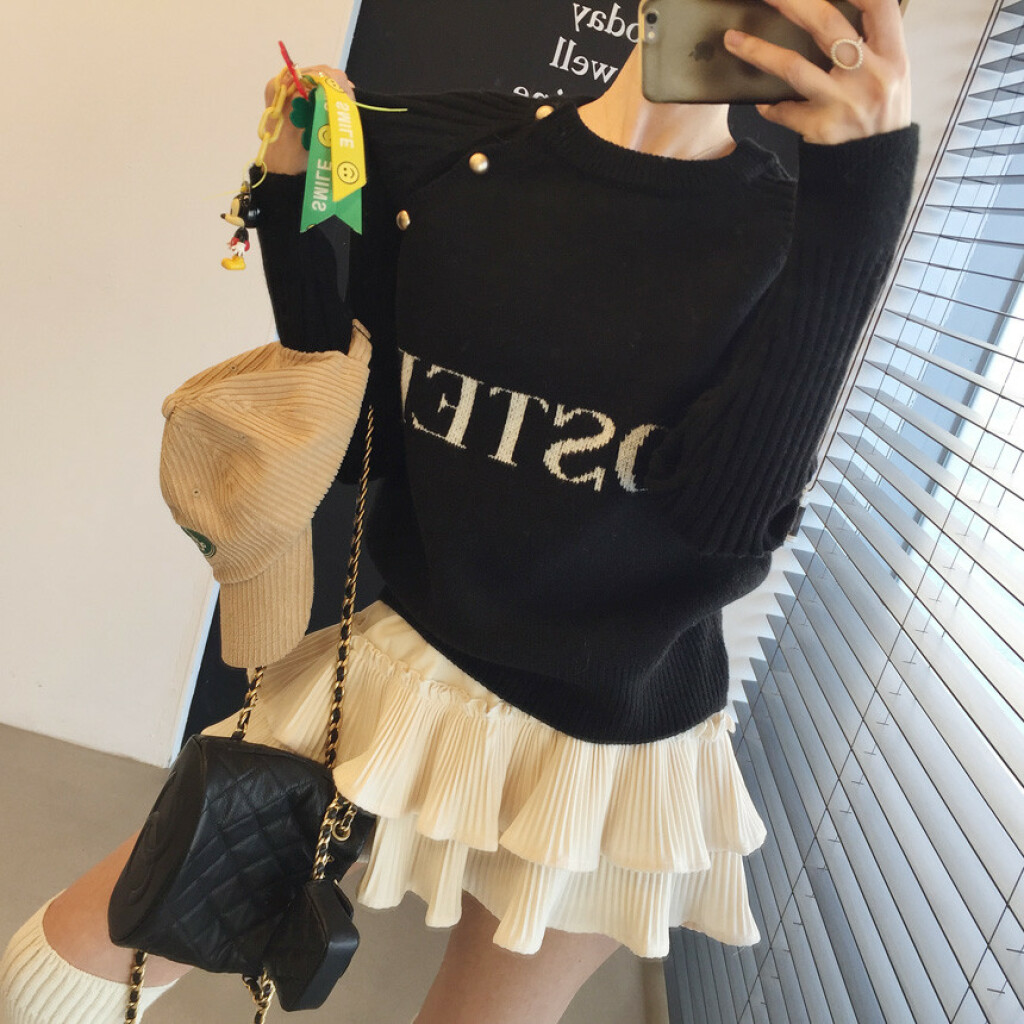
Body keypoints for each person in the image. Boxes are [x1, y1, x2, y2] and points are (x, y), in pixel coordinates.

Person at [0, 1, 918, 1022]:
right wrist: (292, 192)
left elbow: (723, 523)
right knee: (59, 976)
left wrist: (865, 195)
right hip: (411, 665)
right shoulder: (450, 152)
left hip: (617, 736)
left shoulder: (797, 231)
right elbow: (357, 423)